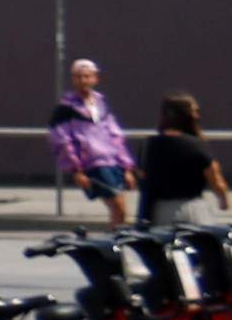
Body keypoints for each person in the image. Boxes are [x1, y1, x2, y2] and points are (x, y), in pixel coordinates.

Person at [50, 58, 137, 224]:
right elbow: (62, 139)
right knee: (118, 206)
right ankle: (114, 244)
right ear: (73, 79)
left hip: (111, 160)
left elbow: (115, 134)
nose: (83, 81)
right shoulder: (66, 108)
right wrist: (76, 170)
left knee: (120, 210)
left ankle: (114, 244)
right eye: (79, 77)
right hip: (92, 164)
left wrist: (126, 167)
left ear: (95, 78)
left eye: (87, 76)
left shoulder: (101, 102)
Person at [142, 95, 219, 228]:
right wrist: (222, 197)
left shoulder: (150, 144)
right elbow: (213, 175)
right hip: (193, 207)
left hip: (160, 209)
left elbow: (143, 175)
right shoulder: (197, 144)